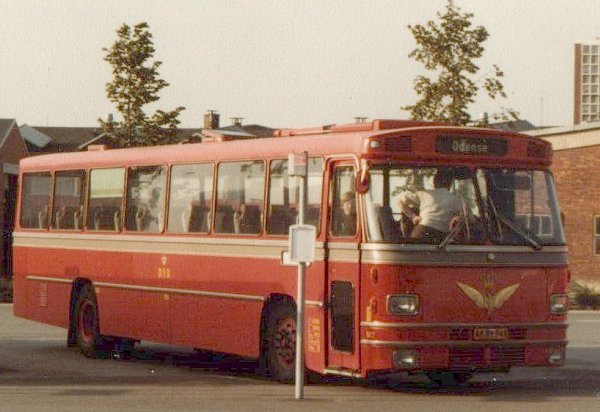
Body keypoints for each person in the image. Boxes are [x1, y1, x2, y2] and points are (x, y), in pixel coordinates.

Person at [398, 169, 462, 243]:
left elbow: (400, 201)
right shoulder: (455, 200)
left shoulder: (425, 194)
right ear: (450, 184)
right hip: (442, 237)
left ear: (434, 182)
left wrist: (413, 216)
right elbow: (467, 217)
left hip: (421, 232)